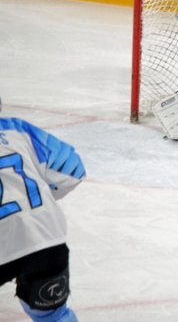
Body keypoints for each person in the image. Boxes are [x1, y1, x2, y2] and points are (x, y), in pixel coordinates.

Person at [0, 96, 86, 322]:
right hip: (46, 240)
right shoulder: (17, 129)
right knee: (54, 317)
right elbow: (73, 171)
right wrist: (38, 201)